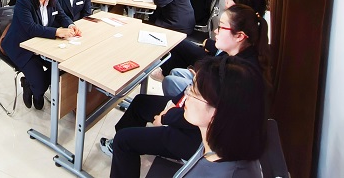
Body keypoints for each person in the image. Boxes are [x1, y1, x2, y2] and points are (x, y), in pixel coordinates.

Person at [108, 57, 266, 178]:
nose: (187, 95)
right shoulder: (219, 144)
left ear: (217, 113)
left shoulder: (220, 171)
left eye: (194, 92)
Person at [161, 0, 270, 97]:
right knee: (177, 63)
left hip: (210, 80)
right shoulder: (249, 33)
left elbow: (220, 69)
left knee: (171, 78)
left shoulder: (240, 67)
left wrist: (201, 73)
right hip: (212, 69)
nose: (226, 1)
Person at [2, 0, 81, 110]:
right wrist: (57, 32)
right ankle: (32, 86)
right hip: (22, 47)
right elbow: (31, 28)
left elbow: (61, 15)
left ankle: (32, 83)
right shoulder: (23, 1)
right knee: (40, 84)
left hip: (42, 44)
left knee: (64, 68)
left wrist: (71, 25)